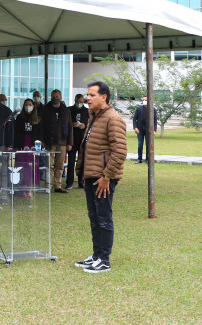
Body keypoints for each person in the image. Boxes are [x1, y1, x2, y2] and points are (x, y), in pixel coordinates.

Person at [75, 81, 127, 273]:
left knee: (103, 218)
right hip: (91, 175)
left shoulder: (112, 119)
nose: (87, 98)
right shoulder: (94, 117)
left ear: (103, 97)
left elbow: (120, 152)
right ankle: (97, 255)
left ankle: (104, 259)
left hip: (103, 178)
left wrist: (107, 177)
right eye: (87, 95)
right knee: (95, 217)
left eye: (92, 95)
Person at [42, 90, 70, 193]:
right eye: (53, 96)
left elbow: (70, 127)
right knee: (49, 165)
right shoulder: (46, 109)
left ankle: (58, 185)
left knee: (60, 165)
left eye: (57, 96)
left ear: (61, 97)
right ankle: (48, 185)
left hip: (62, 142)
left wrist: (70, 143)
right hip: (49, 141)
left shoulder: (66, 110)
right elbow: (42, 126)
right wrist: (42, 141)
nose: (55, 98)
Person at [13, 98, 42, 191]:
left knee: (32, 165)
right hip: (22, 143)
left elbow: (40, 133)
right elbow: (16, 132)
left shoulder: (37, 119)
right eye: (26, 104)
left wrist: (40, 145)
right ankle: (22, 186)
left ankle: (30, 187)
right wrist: (16, 145)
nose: (28, 106)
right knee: (22, 164)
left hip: (33, 145)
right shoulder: (19, 118)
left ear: (33, 106)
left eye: (30, 104)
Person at [66, 94, 89, 189]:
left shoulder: (87, 111)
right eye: (77, 102)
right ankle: (69, 182)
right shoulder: (69, 110)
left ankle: (81, 181)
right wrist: (72, 124)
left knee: (82, 161)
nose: (79, 103)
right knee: (71, 162)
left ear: (83, 101)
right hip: (72, 139)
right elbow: (66, 123)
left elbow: (90, 124)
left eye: (80, 102)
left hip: (82, 139)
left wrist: (84, 126)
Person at [132, 96, 159, 164]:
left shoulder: (152, 109)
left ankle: (148, 159)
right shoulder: (139, 108)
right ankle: (139, 159)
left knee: (148, 144)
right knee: (140, 144)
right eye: (143, 100)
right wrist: (135, 128)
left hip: (148, 129)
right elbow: (134, 119)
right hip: (140, 129)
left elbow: (155, 120)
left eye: (146, 100)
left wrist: (154, 130)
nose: (144, 101)